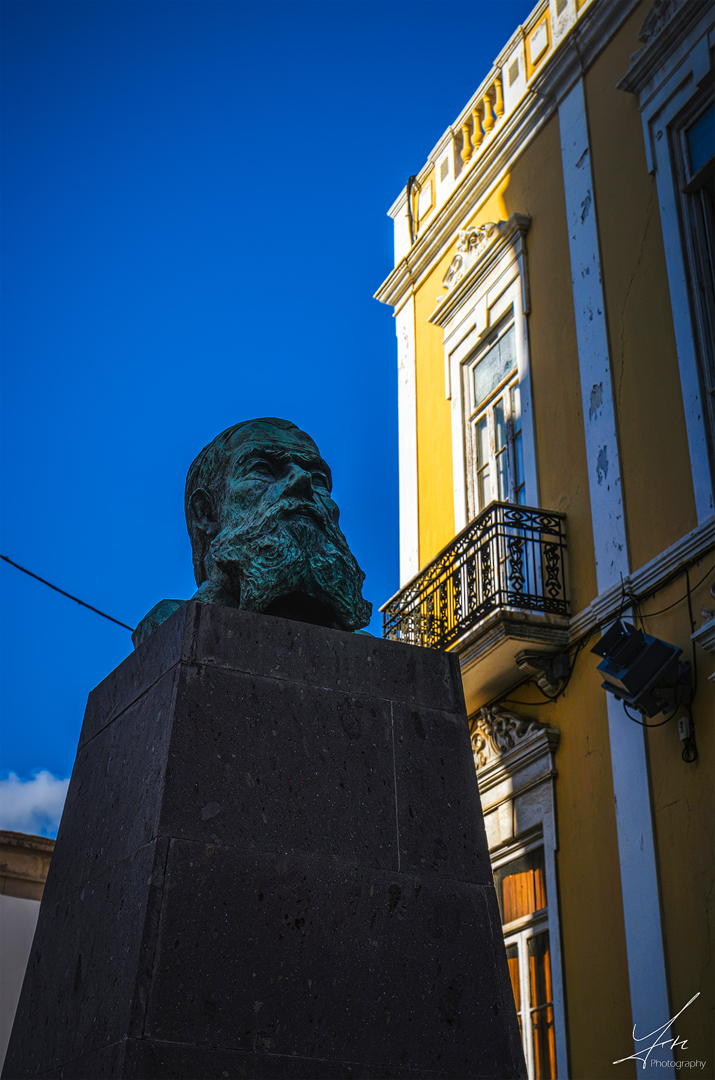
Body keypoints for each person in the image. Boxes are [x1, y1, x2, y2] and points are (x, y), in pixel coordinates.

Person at [132, 417, 372, 647]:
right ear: (205, 512)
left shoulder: (367, 650)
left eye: (318, 478)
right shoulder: (171, 625)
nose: (302, 479)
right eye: (263, 469)